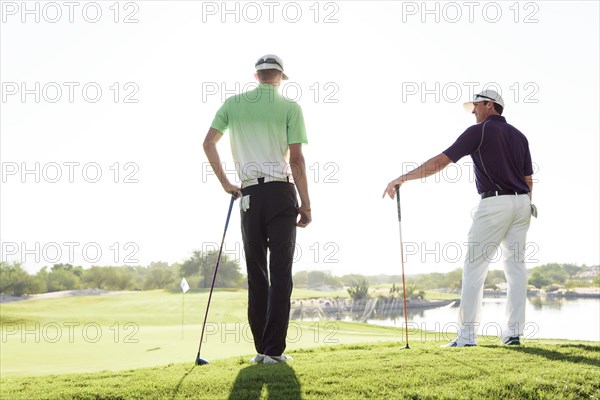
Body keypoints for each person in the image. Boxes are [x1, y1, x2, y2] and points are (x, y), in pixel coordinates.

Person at [383, 89, 534, 347]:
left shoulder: (480, 131)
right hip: (523, 203)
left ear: (490, 105)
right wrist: (524, 204)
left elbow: (441, 161)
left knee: (474, 268)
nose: (473, 111)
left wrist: (403, 178)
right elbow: (529, 179)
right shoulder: (520, 136)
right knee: (516, 269)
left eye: (476, 105)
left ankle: (466, 337)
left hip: (495, 202)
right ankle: (513, 335)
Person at [203, 54, 311, 363]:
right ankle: (274, 351)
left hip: (248, 194)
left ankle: (261, 350)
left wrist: (226, 183)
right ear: (279, 77)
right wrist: (307, 204)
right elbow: (297, 160)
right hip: (281, 192)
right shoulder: (290, 107)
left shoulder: (233, 104)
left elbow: (209, 143)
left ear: (257, 76)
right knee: (281, 273)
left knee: (257, 273)